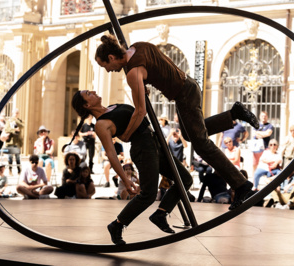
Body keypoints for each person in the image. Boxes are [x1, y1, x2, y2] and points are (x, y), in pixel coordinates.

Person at [95, 34, 256, 211]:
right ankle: (233, 114)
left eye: (106, 66)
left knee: (202, 144)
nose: (108, 70)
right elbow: (156, 67)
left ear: (111, 57)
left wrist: (125, 135)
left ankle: (241, 186)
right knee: (189, 134)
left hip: (184, 94)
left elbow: (140, 111)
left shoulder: (133, 73)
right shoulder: (139, 47)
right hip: (187, 87)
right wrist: (143, 83)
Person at [71, 89, 252, 245]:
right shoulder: (102, 124)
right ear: (86, 105)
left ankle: (161, 213)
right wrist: (126, 180)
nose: (93, 92)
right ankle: (117, 225)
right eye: (88, 94)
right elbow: (111, 155)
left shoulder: (113, 106)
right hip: (143, 148)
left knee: (186, 180)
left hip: (155, 143)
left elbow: (138, 113)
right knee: (148, 194)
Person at [4, 108, 24, 176]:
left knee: (17, 157)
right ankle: (10, 170)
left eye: (17, 113)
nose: (16, 114)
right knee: (10, 157)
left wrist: (17, 121)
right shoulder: (9, 121)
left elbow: (22, 126)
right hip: (11, 142)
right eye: (15, 113)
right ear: (12, 113)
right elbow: (6, 129)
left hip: (17, 142)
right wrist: (14, 130)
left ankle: (19, 170)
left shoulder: (19, 121)